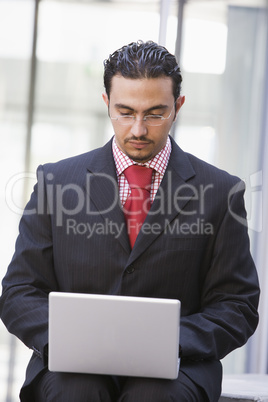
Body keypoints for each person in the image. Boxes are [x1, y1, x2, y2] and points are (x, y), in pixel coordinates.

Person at [0, 40, 260, 402]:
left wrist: (166, 342)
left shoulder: (220, 191)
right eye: (125, 111)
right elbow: (19, 292)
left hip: (178, 367)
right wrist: (69, 341)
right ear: (106, 103)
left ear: (177, 107)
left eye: (155, 113)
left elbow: (237, 306)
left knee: (152, 396)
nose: (138, 129)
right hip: (71, 367)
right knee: (75, 391)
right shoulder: (56, 182)